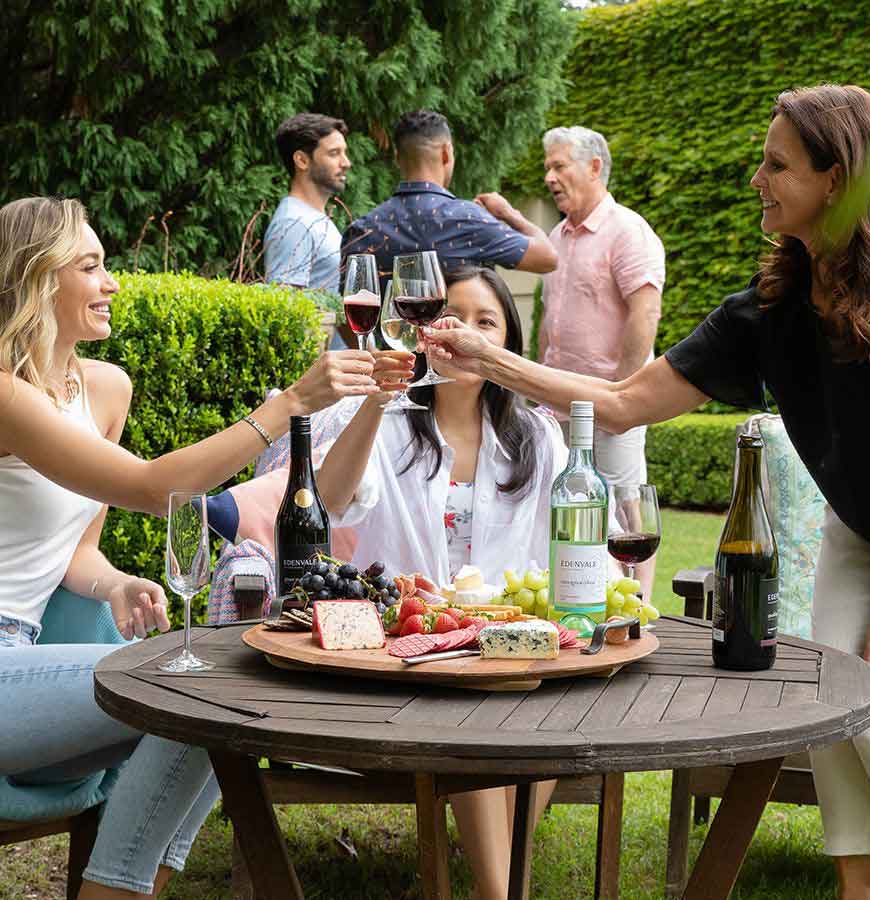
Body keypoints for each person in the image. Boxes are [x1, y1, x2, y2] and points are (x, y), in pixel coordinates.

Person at [425, 84, 870, 900]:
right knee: (837, 707)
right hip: (861, 534)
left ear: (837, 178)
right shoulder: (766, 312)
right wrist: (488, 358)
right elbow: (620, 402)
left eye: (776, 163)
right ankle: (855, 891)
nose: (757, 177)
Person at [0, 196, 379, 899]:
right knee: (203, 688)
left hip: (24, 657)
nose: (112, 281)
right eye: (90, 265)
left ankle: (122, 889)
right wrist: (285, 406)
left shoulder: (105, 389)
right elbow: (152, 488)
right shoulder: (4, 394)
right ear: (34, 278)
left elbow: (76, 547)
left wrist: (112, 583)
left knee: (218, 700)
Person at [315, 267, 569, 900]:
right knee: (477, 720)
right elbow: (329, 501)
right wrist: (376, 397)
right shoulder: (390, 423)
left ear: (507, 343)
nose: (466, 333)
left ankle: (497, 883)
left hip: (508, 653)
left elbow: (565, 562)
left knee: (557, 712)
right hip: (406, 652)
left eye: (487, 322)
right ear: (424, 331)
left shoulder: (538, 439)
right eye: (452, 317)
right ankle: (500, 889)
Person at [540, 126, 665, 598]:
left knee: (625, 504)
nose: (550, 176)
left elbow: (646, 311)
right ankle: (581, 595)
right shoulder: (558, 235)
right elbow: (551, 324)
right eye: (547, 167)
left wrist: (623, 395)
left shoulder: (628, 230)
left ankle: (637, 607)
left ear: (594, 167)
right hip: (560, 404)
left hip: (614, 402)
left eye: (559, 165)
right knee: (571, 507)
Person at [341, 109, 557, 291]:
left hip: (385, 341)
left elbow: (346, 309)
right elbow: (548, 257)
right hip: (454, 342)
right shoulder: (468, 219)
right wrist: (510, 214)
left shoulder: (362, 229)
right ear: (446, 153)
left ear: (398, 158)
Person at [264, 112, 355, 347]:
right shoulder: (293, 223)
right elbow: (288, 316)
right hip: (323, 377)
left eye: (344, 153)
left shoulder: (314, 218)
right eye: (334, 153)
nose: (346, 162)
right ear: (302, 160)